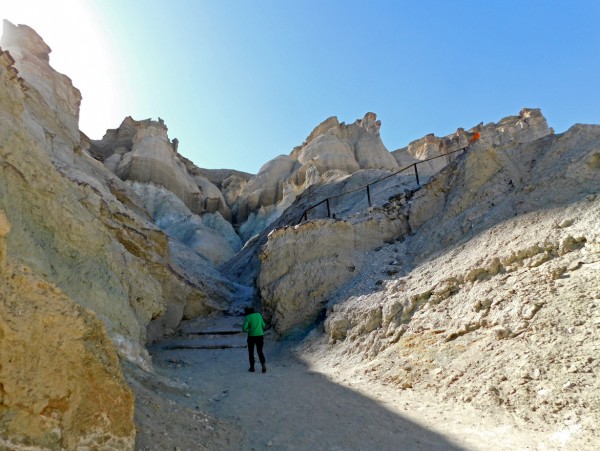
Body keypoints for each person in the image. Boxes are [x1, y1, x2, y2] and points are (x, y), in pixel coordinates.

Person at [242, 307, 267, 373]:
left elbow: (244, 328)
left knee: (251, 352)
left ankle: (252, 367)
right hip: (260, 335)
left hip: (251, 336)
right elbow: (264, 325)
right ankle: (263, 365)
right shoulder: (259, 315)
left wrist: (249, 329)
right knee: (260, 351)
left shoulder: (248, 317)